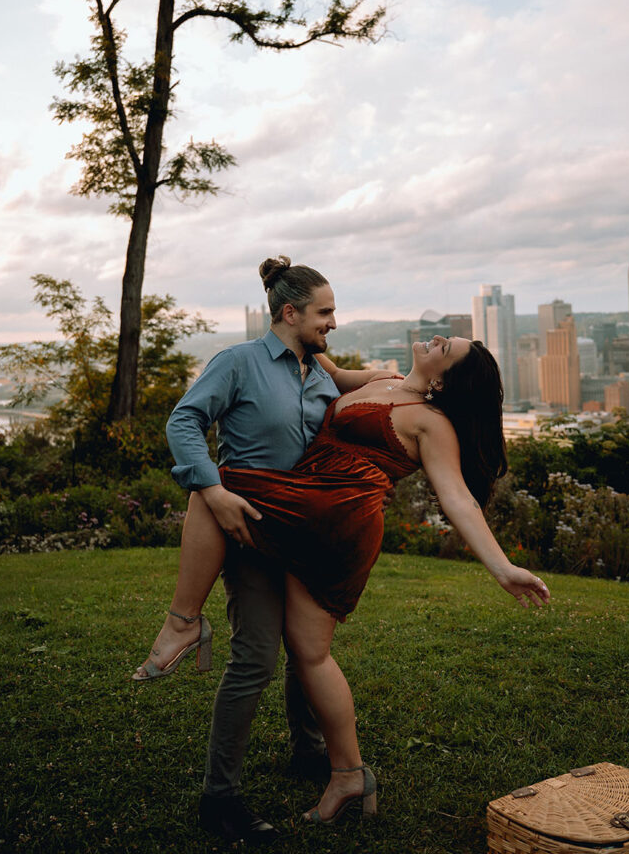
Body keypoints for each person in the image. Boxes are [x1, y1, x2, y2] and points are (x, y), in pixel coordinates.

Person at [134, 276, 550, 837]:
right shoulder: (376, 379)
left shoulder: (433, 422)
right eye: (324, 312)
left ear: (448, 376)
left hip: (336, 523)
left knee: (219, 483)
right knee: (307, 651)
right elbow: (319, 361)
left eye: (443, 348)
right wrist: (280, 290)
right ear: (292, 312)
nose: (432, 340)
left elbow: (457, 498)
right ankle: (344, 771)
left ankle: (183, 623)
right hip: (304, 506)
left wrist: (501, 566)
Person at [133, 255, 399, 845]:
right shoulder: (239, 363)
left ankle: (308, 752)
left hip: (308, 536)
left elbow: (361, 388)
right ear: (290, 312)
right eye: (325, 311)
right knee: (255, 657)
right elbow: (184, 422)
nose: (333, 321)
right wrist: (211, 490)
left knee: (308, 651)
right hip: (251, 530)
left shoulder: (319, 370)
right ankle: (218, 797)